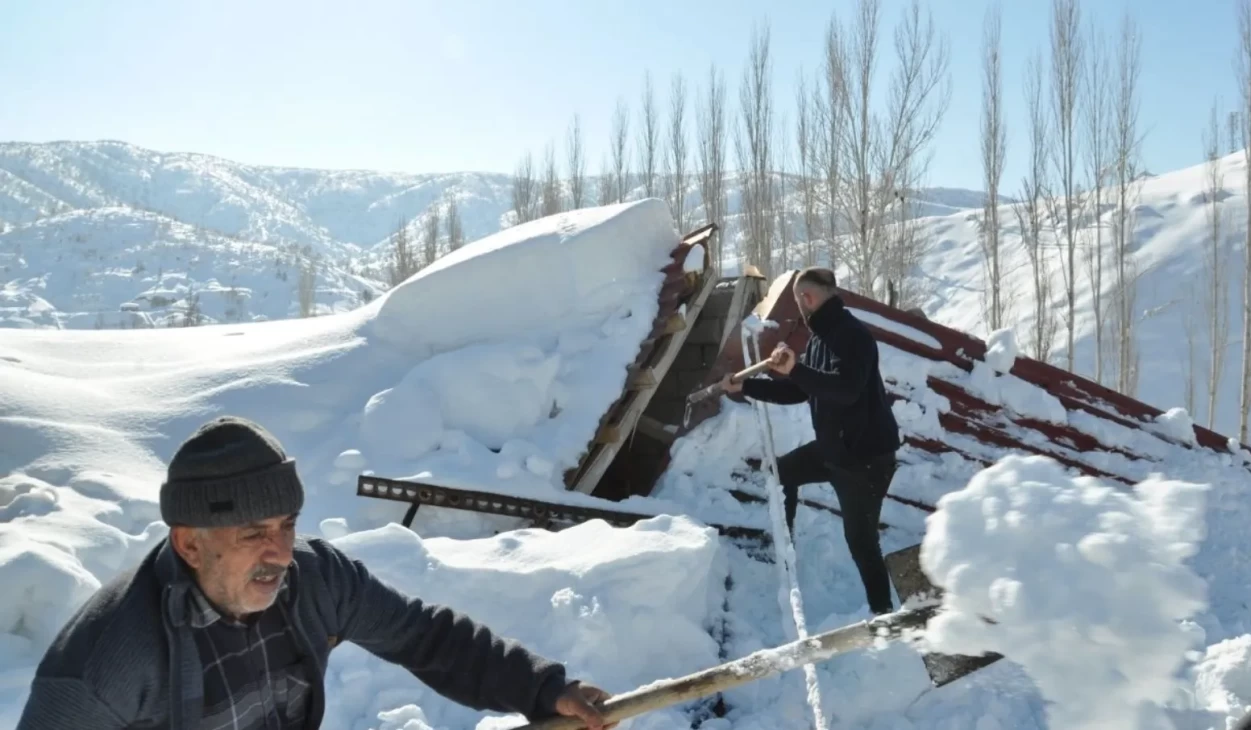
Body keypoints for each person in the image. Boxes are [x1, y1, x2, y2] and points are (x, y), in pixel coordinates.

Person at [17, 415, 614, 730]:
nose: (279, 553)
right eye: (253, 533)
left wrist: (541, 688)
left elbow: (426, 636)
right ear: (189, 544)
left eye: (287, 524)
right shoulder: (105, 664)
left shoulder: (313, 580)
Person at [722, 266, 901, 616]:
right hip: (836, 448)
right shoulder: (820, 339)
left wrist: (796, 370)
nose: (799, 308)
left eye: (798, 300)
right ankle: (784, 552)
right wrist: (746, 386)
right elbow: (799, 390)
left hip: (865, 457)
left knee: (862, 543)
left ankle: (885, 617)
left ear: (807, 297)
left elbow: (846, 391)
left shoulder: (853, 336)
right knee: (783, 472)